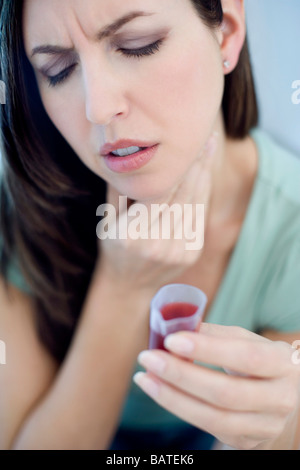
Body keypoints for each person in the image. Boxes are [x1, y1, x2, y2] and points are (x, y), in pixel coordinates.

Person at [0, 0, 299, 451]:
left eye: (139, 46)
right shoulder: (20, 207)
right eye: (59, 70)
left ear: (229, 32)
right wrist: (122, 286)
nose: (98, 107)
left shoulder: (289, 225)